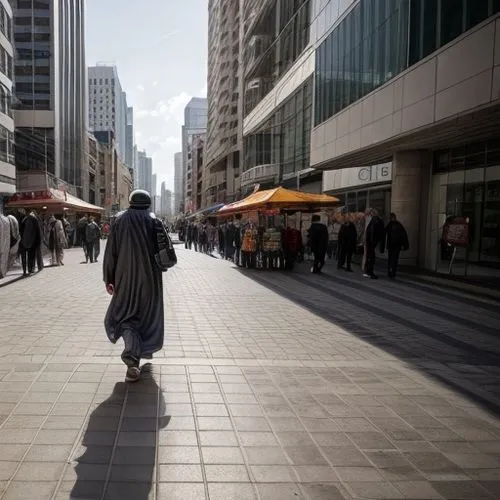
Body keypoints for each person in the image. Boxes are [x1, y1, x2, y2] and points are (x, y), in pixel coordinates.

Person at [103, 190, 164, 382]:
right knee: (146, 316)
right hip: (150, 280)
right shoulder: (154, 220)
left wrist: (109, 278)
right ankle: (135, 357)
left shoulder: (120, 221)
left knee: (125, 315)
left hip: (124, 278)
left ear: (130, 202)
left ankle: (133, 359)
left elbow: (111, 252)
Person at [385, 213, 409, 279]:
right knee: (395, 259)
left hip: (391, 245)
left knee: (390, 258)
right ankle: (393, 272)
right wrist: (405, 245)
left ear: (390, 218)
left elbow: (384, 232)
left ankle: (389, 270)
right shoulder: (399, 225)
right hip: (397, 245)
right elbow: (404, 235)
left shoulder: (389, 224)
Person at [363, 208, 385, 279]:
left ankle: (368, 271)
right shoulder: (375, 220)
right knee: (370, 257)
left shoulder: (374, 221)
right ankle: (369, 272)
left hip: (371, 242)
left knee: (370, 257)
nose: (370, 215)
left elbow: (372, 232)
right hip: (371, 242)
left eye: (370, 213)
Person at [19, 210, 42, 275]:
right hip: (32, 241)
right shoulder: (34, 219)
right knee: (31, 256)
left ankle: (25, 270)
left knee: (24, 257)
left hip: (23, 241)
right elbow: (38, 232)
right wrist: (38, 241)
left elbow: (20, 230)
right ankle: (30, 269)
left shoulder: (22, 219)